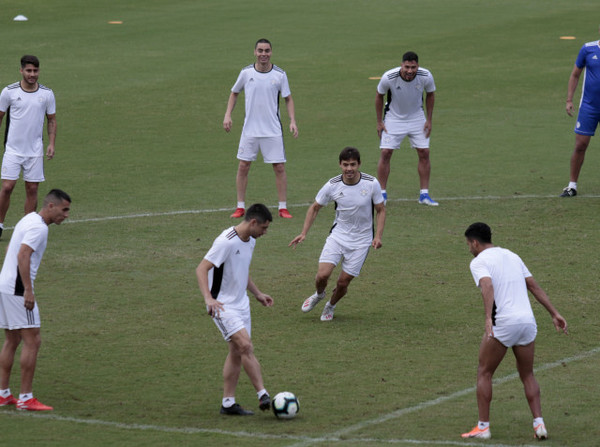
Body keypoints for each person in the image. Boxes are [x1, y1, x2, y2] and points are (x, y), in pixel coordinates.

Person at [461, 222, 568, 440]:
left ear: (474, 242)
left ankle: (483, 427)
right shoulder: (512, 255)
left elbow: (487, 286)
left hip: (504, 322)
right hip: (527, 321)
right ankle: (539, 424)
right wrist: (554, 313)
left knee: (484, 371)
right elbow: (534, 286)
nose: (469, 249)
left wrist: (488, 318)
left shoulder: (479, 262)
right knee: (527, 373)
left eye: (468, 245)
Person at [289, 147, 386, 321]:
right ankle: (319, 295)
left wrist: (378, 236)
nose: (349, 169)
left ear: (359, 164)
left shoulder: (371, 183)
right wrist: (304, 233)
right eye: (346, 165)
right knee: (322, 275)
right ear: (340, 165)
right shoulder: (332, 185)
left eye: (353, 164)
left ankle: (330, 305)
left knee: (343, 283)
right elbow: (315, 207)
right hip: (338, 236)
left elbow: (380, 210)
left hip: (362, 241)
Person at [196, 203, 274, 415]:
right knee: (246, 346)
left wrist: (257, 293)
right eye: (264, 228)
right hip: (222, 305)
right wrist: (208, 299)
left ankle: (228, 403)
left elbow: (241, 270)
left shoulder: (250, 240)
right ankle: (263, 394)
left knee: (237, 353)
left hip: (242, 304)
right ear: (253, 222)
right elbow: (201, 268)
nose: (265, 233)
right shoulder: (226, 242)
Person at [0, 189, 71, 411]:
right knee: (33, 340)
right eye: (64, 209)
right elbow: (22, 254)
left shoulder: (28, 218)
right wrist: (28, 290)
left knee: (12, 340)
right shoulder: (38, 228)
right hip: (18, 289)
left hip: (5, 284)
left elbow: (10, 248)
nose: (66, 215)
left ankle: (3, 394)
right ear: (51, 206)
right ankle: (26, 397)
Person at [223, 38, 298, 219]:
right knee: (243, 166)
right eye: (260, 51)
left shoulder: (279, 75)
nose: (263, 54)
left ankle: (282, 207)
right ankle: (240, 206)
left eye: (267, 51)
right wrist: (228, 115)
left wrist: (292, 120)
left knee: (279, 167)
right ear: (255, 52)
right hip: (250, 130)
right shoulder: (246, 73)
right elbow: (234, 93)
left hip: (272, 130)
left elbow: (288, 98)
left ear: (271, 52)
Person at [0, 55, 57, 239]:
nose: (32, 74)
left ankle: (26, 229)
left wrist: (51, 144)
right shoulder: (9, 92)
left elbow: (51, 120)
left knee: (32, 189)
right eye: (29, 71)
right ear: (21, 71)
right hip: (13, 149)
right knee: (7, 187)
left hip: (35, 151)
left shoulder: (47, 94)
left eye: (35, 71)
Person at [375, 51, 438, 206]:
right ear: (402, 65)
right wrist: (379, 122)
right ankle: (381, 194)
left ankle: (424, 194)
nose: (410, 71)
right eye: (407, 67)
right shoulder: (389, 77)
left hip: (417, 117)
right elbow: (379, 96)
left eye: (413, 67)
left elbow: (430, 94)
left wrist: (429, 120)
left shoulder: (426, 75)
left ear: (418, 66)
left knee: (424, 152)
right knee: (385, 152)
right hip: (393, 118)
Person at [560, 35, 600, 197]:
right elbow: (575, 74)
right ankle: (572, 186)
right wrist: (569, 99)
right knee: (580, 145)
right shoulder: (588, 49)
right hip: (589, 107)